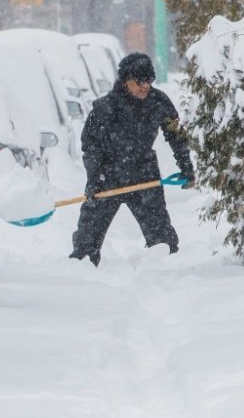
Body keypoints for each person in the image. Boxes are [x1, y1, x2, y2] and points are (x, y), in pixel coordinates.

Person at [69, 52, 194, 267]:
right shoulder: (105, 108)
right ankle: (81, 274)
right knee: (86, 241)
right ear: (125, 81)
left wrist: (186, 166)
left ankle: (166, 275)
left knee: (162, 239)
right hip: (107, 177)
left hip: (144, 175)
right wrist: (93, 180)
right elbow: (90, 147)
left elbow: (176, 135)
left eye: (149, 81)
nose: (145, 86)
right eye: (139, 81)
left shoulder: (158, 101)